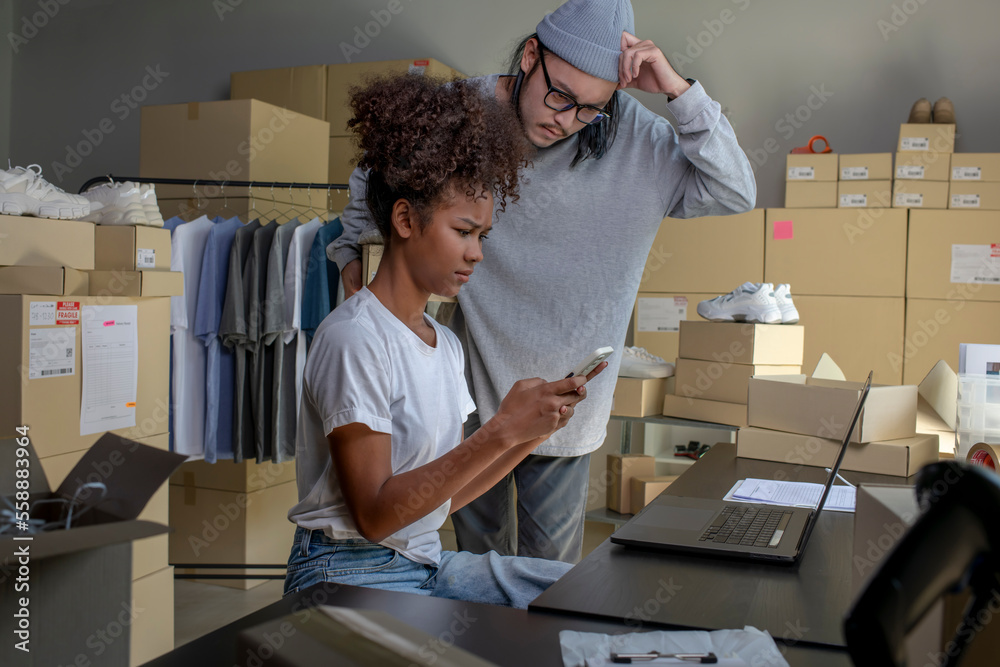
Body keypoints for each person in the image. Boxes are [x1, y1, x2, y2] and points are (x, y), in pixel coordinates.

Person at [330, 0, 756, 563]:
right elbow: (375, 172)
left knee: (546, 579)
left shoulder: (637, 140)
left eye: (589, 110)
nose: (566, 119)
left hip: (566, 400)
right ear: (531, 55)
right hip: (471, 391)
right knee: (473, 568)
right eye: (560, 96)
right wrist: (351, 253)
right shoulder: (466, 113)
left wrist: (678, 90)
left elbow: (735, 190)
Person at [285, 74, 607, 609]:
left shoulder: (443, 343)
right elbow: (376, 516)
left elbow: (442, 500)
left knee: (580, 594)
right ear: (406, 219)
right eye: (463, 232)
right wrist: (499, 427)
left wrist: (527, 432)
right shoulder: (354, 338)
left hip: (425, 563)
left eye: (482, 236)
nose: (477, 253)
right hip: (346, 572)